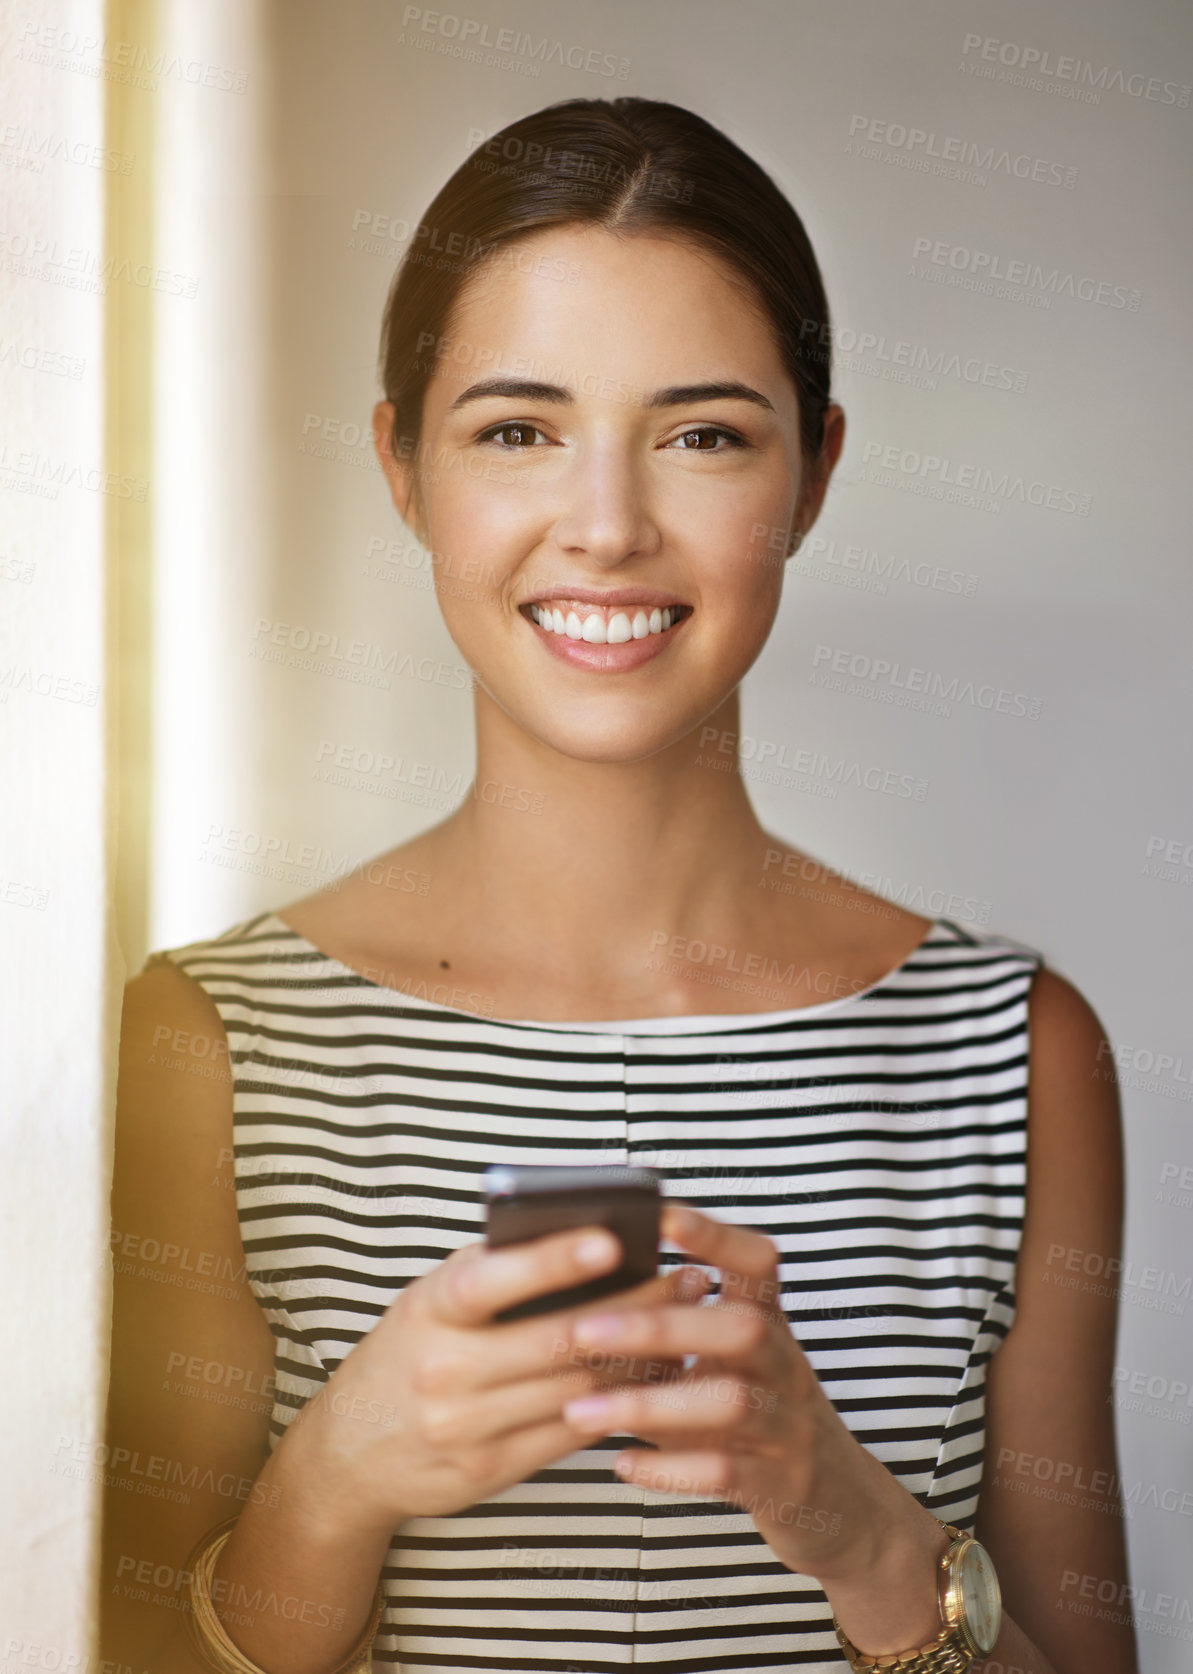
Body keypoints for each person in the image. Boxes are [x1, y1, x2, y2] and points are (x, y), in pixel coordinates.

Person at [101, 97, 1136, 1674]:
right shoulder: (211, 1042)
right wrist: (338, 1477)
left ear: (813, 469)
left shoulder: (1011, 1050)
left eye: (703, 432)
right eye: (516, 429)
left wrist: (849, 1514)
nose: (605, 527)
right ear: (400, 465)